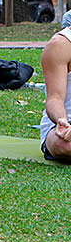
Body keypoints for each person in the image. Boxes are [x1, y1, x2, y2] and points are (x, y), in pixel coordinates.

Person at [39, 26, 71, 161]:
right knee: (65, 145)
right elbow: (55, 99)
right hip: (65, 124)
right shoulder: (61, 45)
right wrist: (62, 121)